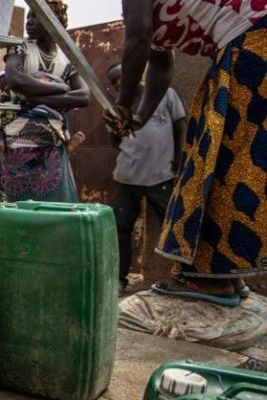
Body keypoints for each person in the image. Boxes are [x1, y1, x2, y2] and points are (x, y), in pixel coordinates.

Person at [108, 0, 266, 306]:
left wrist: (123, 104)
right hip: (249, 44)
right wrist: (137, 116)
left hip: (252, 44)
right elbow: (161, 64)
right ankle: (224, 274)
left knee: (215, 159)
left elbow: (138, 37)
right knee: (231, 162)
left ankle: (206, 278)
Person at [107, 62, 187, 291]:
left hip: (161, 175)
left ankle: (185, 276)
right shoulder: (116, 108)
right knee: (121, 229)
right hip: (126, 178)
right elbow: (113, 144)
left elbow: (180, 125)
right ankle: (120, 279)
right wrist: (114, 128)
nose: (120, 83)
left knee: (173, 227)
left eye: (122, 76)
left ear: (135, 74)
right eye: (114, 82)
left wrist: (178, 158)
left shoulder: (165, 95)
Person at [0, 0, 88, 203]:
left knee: (55, 206)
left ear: (53, 21)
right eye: (28, 16)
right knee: (17, 205)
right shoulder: (20, 48)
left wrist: (34, 97)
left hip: (52, 145)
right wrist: (60, 87)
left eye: (36, 16)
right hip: (17, 144)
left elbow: (83, 96)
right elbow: (15, 79)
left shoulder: (67, 58)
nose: (29, 22)